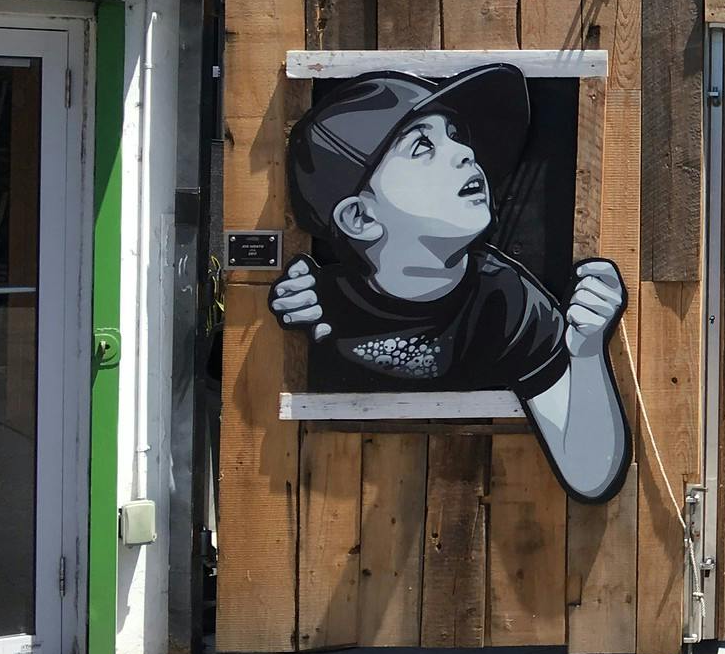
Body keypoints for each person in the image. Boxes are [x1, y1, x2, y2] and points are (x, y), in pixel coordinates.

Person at [268, 65, 630, 502]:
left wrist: (587, 351)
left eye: (456, 135)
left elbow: (589, 473)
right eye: (422, 146)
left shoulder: (509, 302)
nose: (464, 153)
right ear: (360, 218)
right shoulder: (319, 304)